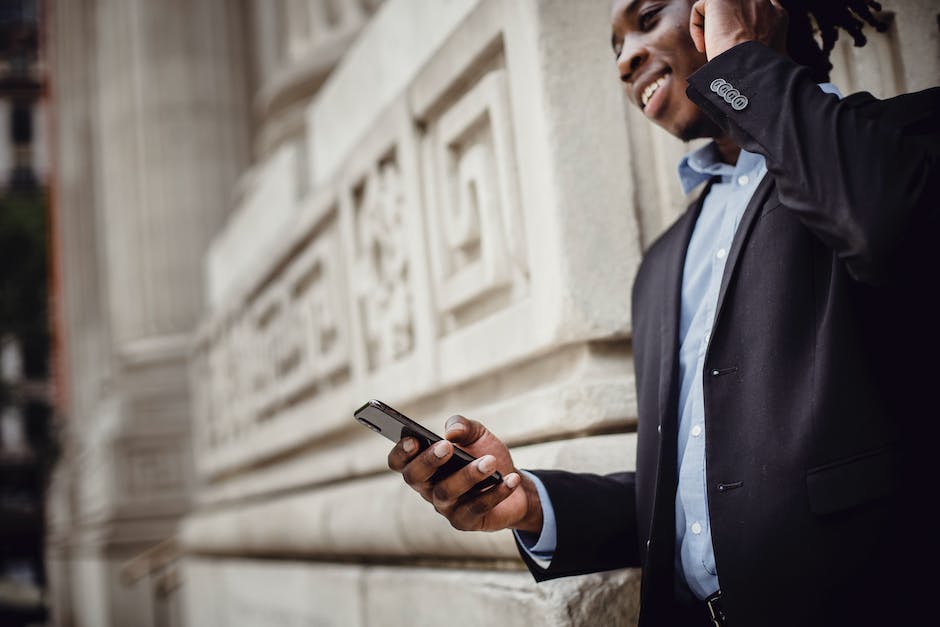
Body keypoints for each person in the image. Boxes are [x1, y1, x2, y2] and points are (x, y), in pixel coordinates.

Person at [387, 1, 940, 625]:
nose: (625, 60)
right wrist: (532, 504)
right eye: (615, 46)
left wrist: (739, 68)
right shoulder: (663, 264)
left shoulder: (903, 139)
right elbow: (701, 494)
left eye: (649, 17)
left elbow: (884, 228)